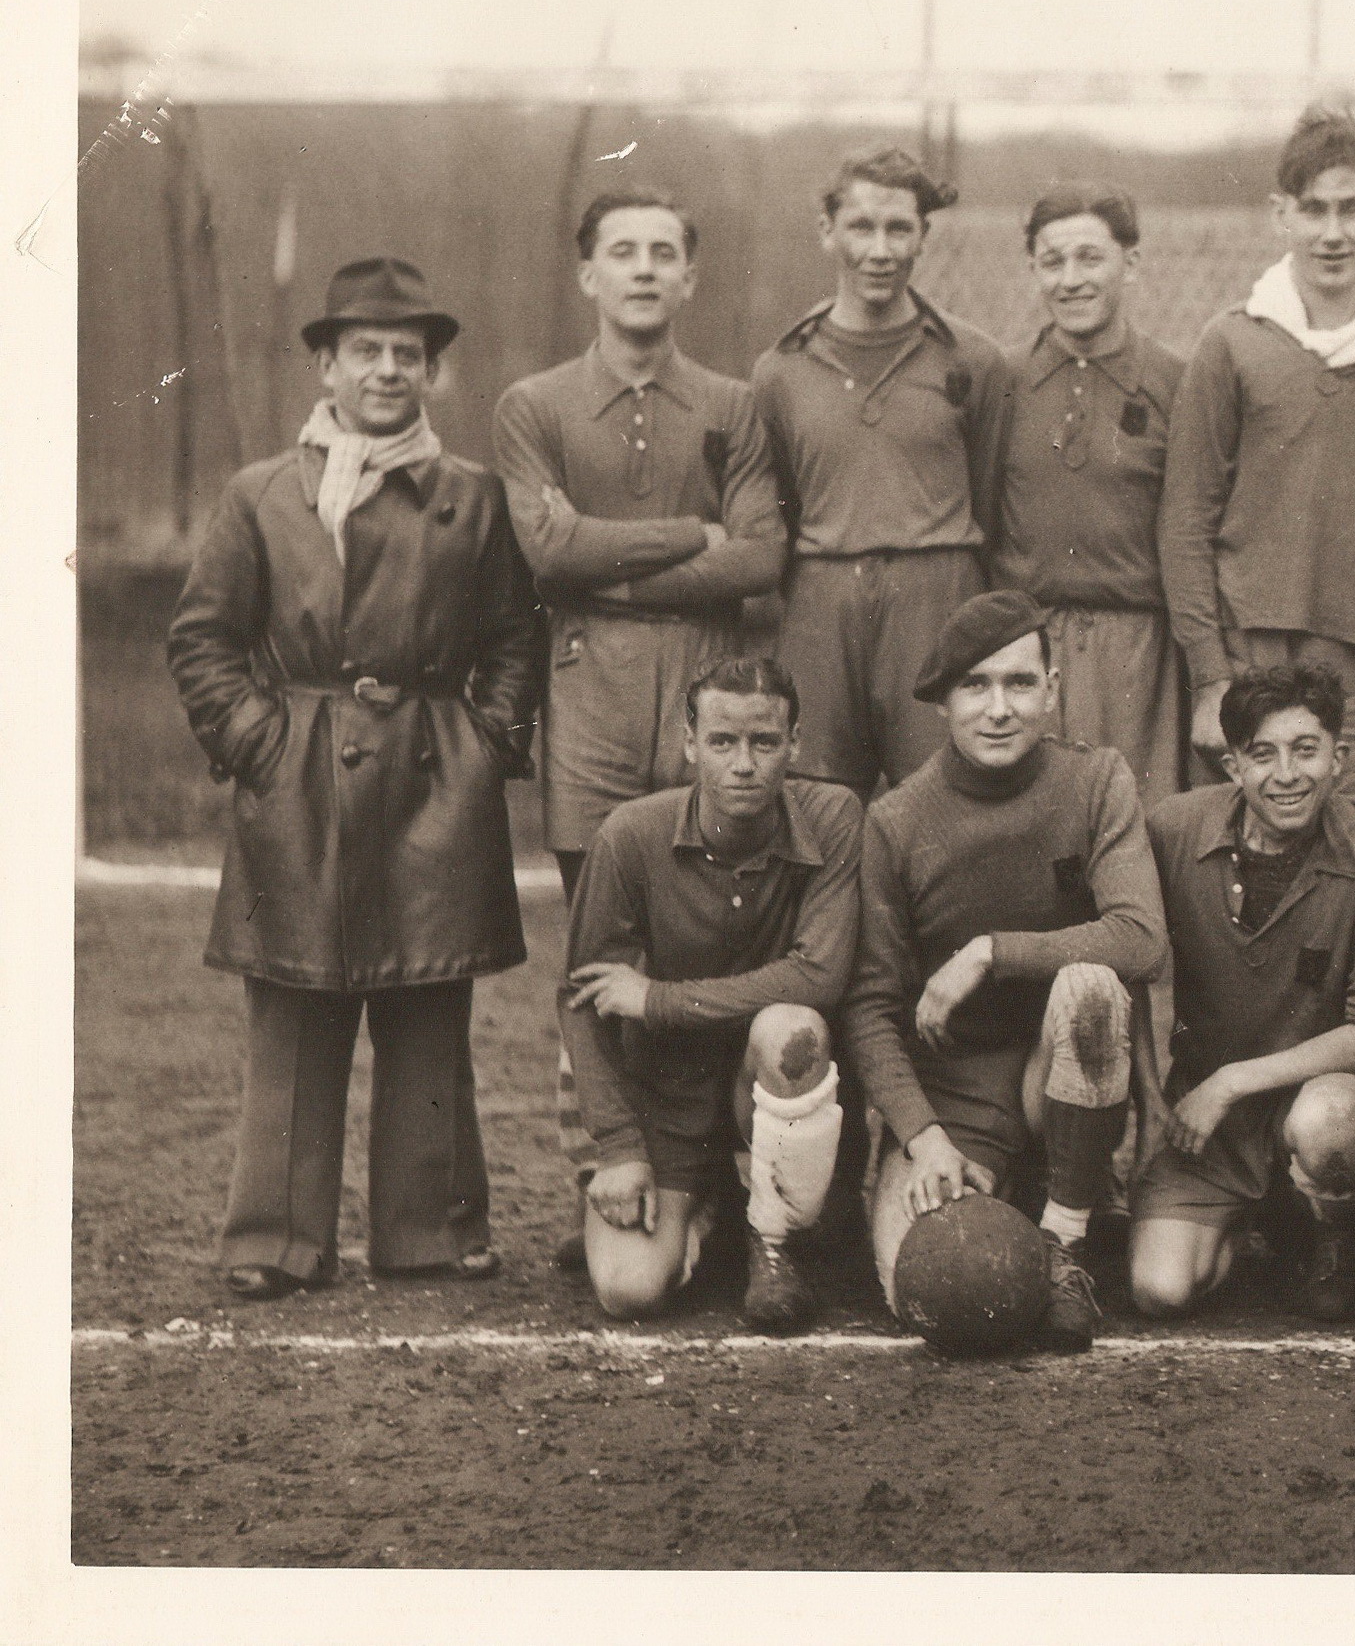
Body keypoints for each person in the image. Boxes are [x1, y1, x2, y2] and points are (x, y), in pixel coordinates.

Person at [169, 257, 542, 1300]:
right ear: (326, 362)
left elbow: (517, 638)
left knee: (429, 1005)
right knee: (293, 1009)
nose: (389, 371)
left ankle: (430, 1226)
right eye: (367, 351)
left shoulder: (473, 496)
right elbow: (203, 636)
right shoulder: (261, 493)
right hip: (297, 773)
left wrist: (486, 744)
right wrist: (255, 738)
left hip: (432, 773)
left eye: (409, 355)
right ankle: (274, 1237)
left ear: (432, 371)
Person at [496, 190, 791, 1267]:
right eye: (622, 251)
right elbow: (546, 555)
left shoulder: (734, 402)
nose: (643, 269)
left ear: (690, 277)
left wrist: (605, 561)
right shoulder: (533, 404)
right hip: (588, 713)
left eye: (665, 252)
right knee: (599, 959)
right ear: (587, 274)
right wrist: (684, 538)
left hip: (705, 698)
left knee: (712, 941)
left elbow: (759, 559)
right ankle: (610, 1170)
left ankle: (713, 1185)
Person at [840, 590, 1168, 1350]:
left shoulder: (1096, 780)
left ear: (1053, 691)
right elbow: (869, 1005)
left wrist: (991, 950)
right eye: (976, 685)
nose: (999, 708)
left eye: (1020, 683)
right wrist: (922, 1138)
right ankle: (1004, 1185)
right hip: (953, 1096)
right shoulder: (897, 820)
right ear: (943, 702)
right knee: (928, 1284)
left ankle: (1067, 1232)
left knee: (1090, 989)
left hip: (1056, 1071)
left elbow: (1143, 938)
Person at [1159, 104, 1355, 829]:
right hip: (1249, 650)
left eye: (1351, 209)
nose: (1332, 233)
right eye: (1313, 210)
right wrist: (1209, 676)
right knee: (1243, 857)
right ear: (1280, 215)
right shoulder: (1232, 342)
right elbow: (1185, 519)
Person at [559, 657, 859, 1332]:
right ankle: (706, 1208)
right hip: (669, 1095)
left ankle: (771, 1239)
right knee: (630, 1290)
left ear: (796, 743)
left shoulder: (835, 815)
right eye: (723, 742)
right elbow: (581, 998)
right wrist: (616, 1145)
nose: (744, 764)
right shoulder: (631, 834)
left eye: (765, 742)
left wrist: (660, 999)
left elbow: (820, 976)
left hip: (771, 1091)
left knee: (794, 1025)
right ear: (689, 742)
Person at [1128, 664, 1355, 1323]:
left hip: (1316, 1094)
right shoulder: (1173, 830)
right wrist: (1149, 1097)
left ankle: (1339, 1223)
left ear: (1339, 758)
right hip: (1210, 1118)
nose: (1286, 773)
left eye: (1306, 750)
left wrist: (1231, 1080)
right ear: (1233, 765)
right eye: (1263, 754)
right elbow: (1124, 958)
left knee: (1331, 1125)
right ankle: (1254, 1220)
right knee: (1159, 1289)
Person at [754, 145, 1010, 798]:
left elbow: (989, 497)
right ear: (827, 230)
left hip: (936, 592)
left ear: (923, 235)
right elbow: (775, 509)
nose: (881, 248)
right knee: (815, 801)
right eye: (862, 226)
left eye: (900, 228)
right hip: (820, 597)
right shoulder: (780, 369)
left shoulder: (974, 359)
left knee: (941, 799)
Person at [994, 183, 1191, 799]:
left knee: (1139, 825)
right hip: (1029, 647)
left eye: (1091, 258)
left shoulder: (1174, 383)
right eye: (1053, 262)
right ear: (1033, 270)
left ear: (1130, 264)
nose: (1071, 279)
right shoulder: (1003, 380)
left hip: (1138, 655)